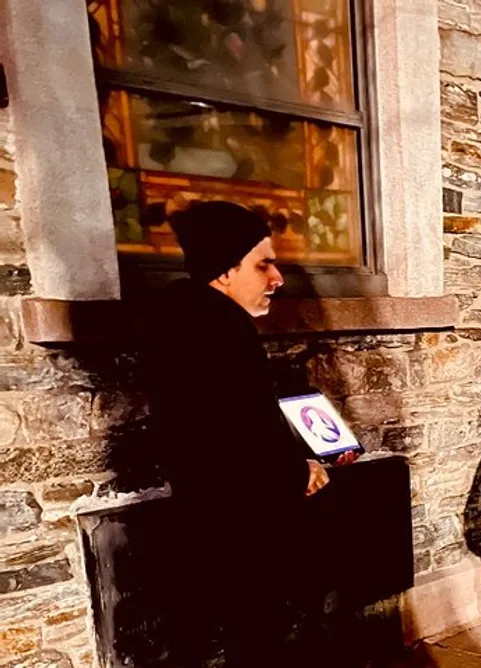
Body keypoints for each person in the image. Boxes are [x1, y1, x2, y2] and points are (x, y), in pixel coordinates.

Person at [144, 201, 352, 666]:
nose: (277, 279)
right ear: (223, 271)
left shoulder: (186, 321)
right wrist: (298, 470)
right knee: (257, 638)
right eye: (263, 265)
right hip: (242, 523)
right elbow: (236, 431)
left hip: (210, 517)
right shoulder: (219, 328)